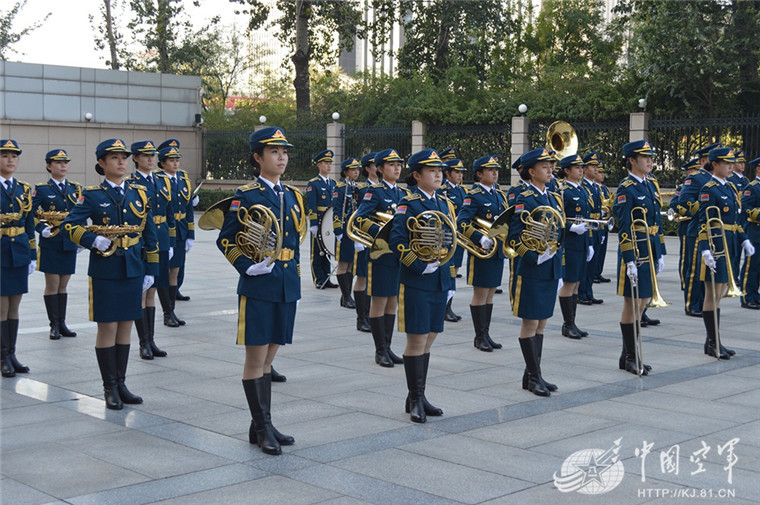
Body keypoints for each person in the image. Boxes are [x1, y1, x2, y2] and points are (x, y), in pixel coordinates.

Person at [216, 127, 306, 455]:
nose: (282, 157)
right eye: (274, 152)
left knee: (270, 356)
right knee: (256, 359)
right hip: (258, 283)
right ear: (258, 157)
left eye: (284, 152)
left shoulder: (294, 195)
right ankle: (262, 427)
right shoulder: (246, 194)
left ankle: (262, 425)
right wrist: (246, 265)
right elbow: (225, 238)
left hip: (285, 285)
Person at [63, 138, 158, 409]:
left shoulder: (139, 193)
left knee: (126, 327)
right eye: (114, 158)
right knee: (108, 329)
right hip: (105, 269)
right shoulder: (92, 195)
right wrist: (91, 240)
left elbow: (149, 235)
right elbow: (71, 225)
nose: (121, 162)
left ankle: (122, 383)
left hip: (133, 268)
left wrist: (151, 269)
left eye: (124, 157)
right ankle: (109, 388)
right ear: (102, 163)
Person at [390, 149, 454, 423]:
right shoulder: (409, 203)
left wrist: (449, 276)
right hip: (417, 279)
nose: (439, 174)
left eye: (440, 170)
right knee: (416, 339)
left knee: (430, 336)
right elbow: (396, 240)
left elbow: (450, 238)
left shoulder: (444, 203)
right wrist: (418, 263)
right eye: (432, 170)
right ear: (416, 175)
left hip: (438, 277)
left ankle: (419, 394)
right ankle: (414, 397)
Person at [506, 148, 563, 397]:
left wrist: (557, 265)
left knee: (541, 322)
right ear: (531, 172)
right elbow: (514, 237)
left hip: (549, 266)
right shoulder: (525, 198)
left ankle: (533, 374)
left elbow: (557, 231)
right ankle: (533, 375)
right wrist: (534, 256)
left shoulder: (552, 196)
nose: (550, 169)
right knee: (530, 323)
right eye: (544, 166)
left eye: (550, 165)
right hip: (532, 268)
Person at [612, 140, 664, 376]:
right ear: (632, 161)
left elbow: (657, 222)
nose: (650, 160)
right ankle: (632, 357)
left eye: (651, 157)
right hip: (635, 250)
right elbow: (623, 225)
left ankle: (626, 356)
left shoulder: (651, 185)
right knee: (633, 302)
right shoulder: (626, 188)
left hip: (650, 248)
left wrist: (660, 251)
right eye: (645, 157)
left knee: (643, 301)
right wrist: (628, 258)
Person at [353, 148, 409, 367]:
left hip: (397, 255)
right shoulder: (374, 192)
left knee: (392, 302)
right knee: (379, 301)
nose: (396, 168)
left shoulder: (403, 194)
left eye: (398, 165)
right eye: (391, 165)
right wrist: (379, 232)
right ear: (380, 168)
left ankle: (388, 346)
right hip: (380, 254)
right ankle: (379, 350)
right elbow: (360, 219)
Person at [697, 147, 755, 359]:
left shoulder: (730, 188)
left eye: (732, 162)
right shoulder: (708, 189)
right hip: (715, 246)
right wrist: (705, 250)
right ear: (715, 164)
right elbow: (703, 223)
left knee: (720, 293)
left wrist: (744, 240)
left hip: (729, 243)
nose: (731, 166)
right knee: (713, 294)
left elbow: (735, 221)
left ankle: (714, 340)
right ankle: (713, 342)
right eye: (726, 163)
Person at [126, 141, 174, 359]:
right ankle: (143, 343)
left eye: (153, 155)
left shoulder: (162, 180)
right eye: (145, 156)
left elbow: (170, 211)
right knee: (141, 292)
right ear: (135, 158)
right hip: (142, 240)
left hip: (161, 239)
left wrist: (172, 241)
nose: (150, 159)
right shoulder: (130, 183)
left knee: (152, 291)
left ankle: (151, 340)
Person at [457, 155, 509, 352]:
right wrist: (479, 237)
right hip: (482, 251)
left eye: (496, 169)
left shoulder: (499, 195)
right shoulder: (474, 195)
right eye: (490, 170)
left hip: (496, 252)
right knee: (480, 294)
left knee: (490, 295)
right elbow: (462, 222)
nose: (495, 173)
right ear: (479, 174)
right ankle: (479, 336)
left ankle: (486, 333)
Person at [33, 149, 82, 340]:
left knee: (63, 285)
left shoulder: (75, 188)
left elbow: (80, 213)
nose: (63, 166)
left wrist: (80, 237)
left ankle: (62, 323)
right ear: (49, 166)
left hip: (68, 240)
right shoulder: (42, 189)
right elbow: (30, 212)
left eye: (65, 162)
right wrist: (41, 228)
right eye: (58, 162)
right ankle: (53, 324)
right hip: (51, 242)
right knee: (52, 284)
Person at [1, 139, 35, 378]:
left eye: (14, 156)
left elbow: (29, 224)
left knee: (15, 306)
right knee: (1, 306)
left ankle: (12, 354)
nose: (10, 160)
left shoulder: (23, 188)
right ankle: (3, 356)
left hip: (19, 251)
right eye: (5, 156)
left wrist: (32, 254)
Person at [678, 142, 721, 317]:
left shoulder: (717, 180)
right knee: (695, 270)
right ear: (704, 160)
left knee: (707, 271)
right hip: (697, 231)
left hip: (713, 233)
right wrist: (703, 211)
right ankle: (692, 304)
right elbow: (684, 200)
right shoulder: (695, 178)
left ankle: (705, 303)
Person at [156, 140, 193, 328]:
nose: (175, 164)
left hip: (180, 231)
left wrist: (191, 234)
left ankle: (171, 311)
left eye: (177, 160)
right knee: (164, 273)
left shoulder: (183, 179)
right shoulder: (157, 180)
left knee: (175, 272)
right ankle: (166, 313)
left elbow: (188, 208)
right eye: (171, 160)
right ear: (162, 163)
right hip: (164, 232)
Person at [557, 154, 592, 339]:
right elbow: (558, 217)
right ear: (567, 171)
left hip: (581, 241)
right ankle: (567, 324)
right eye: (577, 167)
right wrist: (571, 227)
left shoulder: (583, 190)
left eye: (581, 167)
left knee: (577, 283)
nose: (581, 170)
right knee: (569, 283)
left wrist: (590, 243)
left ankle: (573, 322)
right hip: (570, 242)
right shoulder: (564, 191)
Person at [351, 152, 378, 332]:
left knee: (374, 279)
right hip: (365, 240)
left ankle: (370, 314)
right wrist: (357, 238)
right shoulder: (361, 189)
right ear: (368, 169)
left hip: (381, 243)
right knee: (362, 277)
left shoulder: (387, 189)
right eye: (375, 165)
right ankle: (362, 317)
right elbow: (355, 214)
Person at [438, 156, 467, 322]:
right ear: (447, 173)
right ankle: (444, 307)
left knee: (454, 272)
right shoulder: (442, 191)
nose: (460, 175)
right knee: (447, 273)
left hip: (459, 239)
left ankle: (449, 306)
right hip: (446, 239)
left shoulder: (463, 191)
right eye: (456, 172)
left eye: (461, 173)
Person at [306, 149, 338, 289]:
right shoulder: (314, 183)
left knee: (328, 249)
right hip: (319, 220)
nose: (329, 166)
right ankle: (319, 278)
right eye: (325, 163)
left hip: (330, 222)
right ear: (319, 165)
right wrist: (313, 224)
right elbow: (311, 205)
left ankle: (327, 277)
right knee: (318, 251)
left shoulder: (333, 184)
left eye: (330, 163)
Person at [333, 157, 361, 309]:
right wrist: (338, 230)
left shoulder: (355, 187)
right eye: (353, 169)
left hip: (353, 229)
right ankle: (345, 296)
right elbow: (337, 209)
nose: (356, 172)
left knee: (351, 262)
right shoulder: (340, 187)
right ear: (345, 172)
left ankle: (347, 296)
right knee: (343, 263)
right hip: (344, 228)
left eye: (357, 169)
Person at [671, 158, 700, 295]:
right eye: (694, 169)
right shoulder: (683, 187)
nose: (696, 172)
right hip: (686, 224)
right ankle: (684, 282)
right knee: (685, 257)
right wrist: (689, 213)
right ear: (688, 171)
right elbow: (674, 204)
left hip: (697, 226)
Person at [577, 153, 604, 305]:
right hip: (588, 227)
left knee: (593, 263)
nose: (596, 169)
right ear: (585, 169)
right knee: (586, 264)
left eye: (596, 166)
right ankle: (581, 293)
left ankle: (589, 291)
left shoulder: (595, 187)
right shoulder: (584, 187)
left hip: (597, 226)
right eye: (593, 166)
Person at [740, 157, 760, 309]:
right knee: (751, 267)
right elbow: (746, 208)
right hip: (755, 232)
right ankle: (747, 297)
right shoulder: (752, 187)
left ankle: (755, 295)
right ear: (758, 169)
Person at [594, 162, 612, 283]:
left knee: (602, 250)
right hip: (597, 223)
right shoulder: (592, 188)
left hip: (605, 222)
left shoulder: (604, 188)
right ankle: (594, 272)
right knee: (595, 250)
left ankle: (598, 271)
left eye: (602, 172)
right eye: (599, 172)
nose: (602, 175)